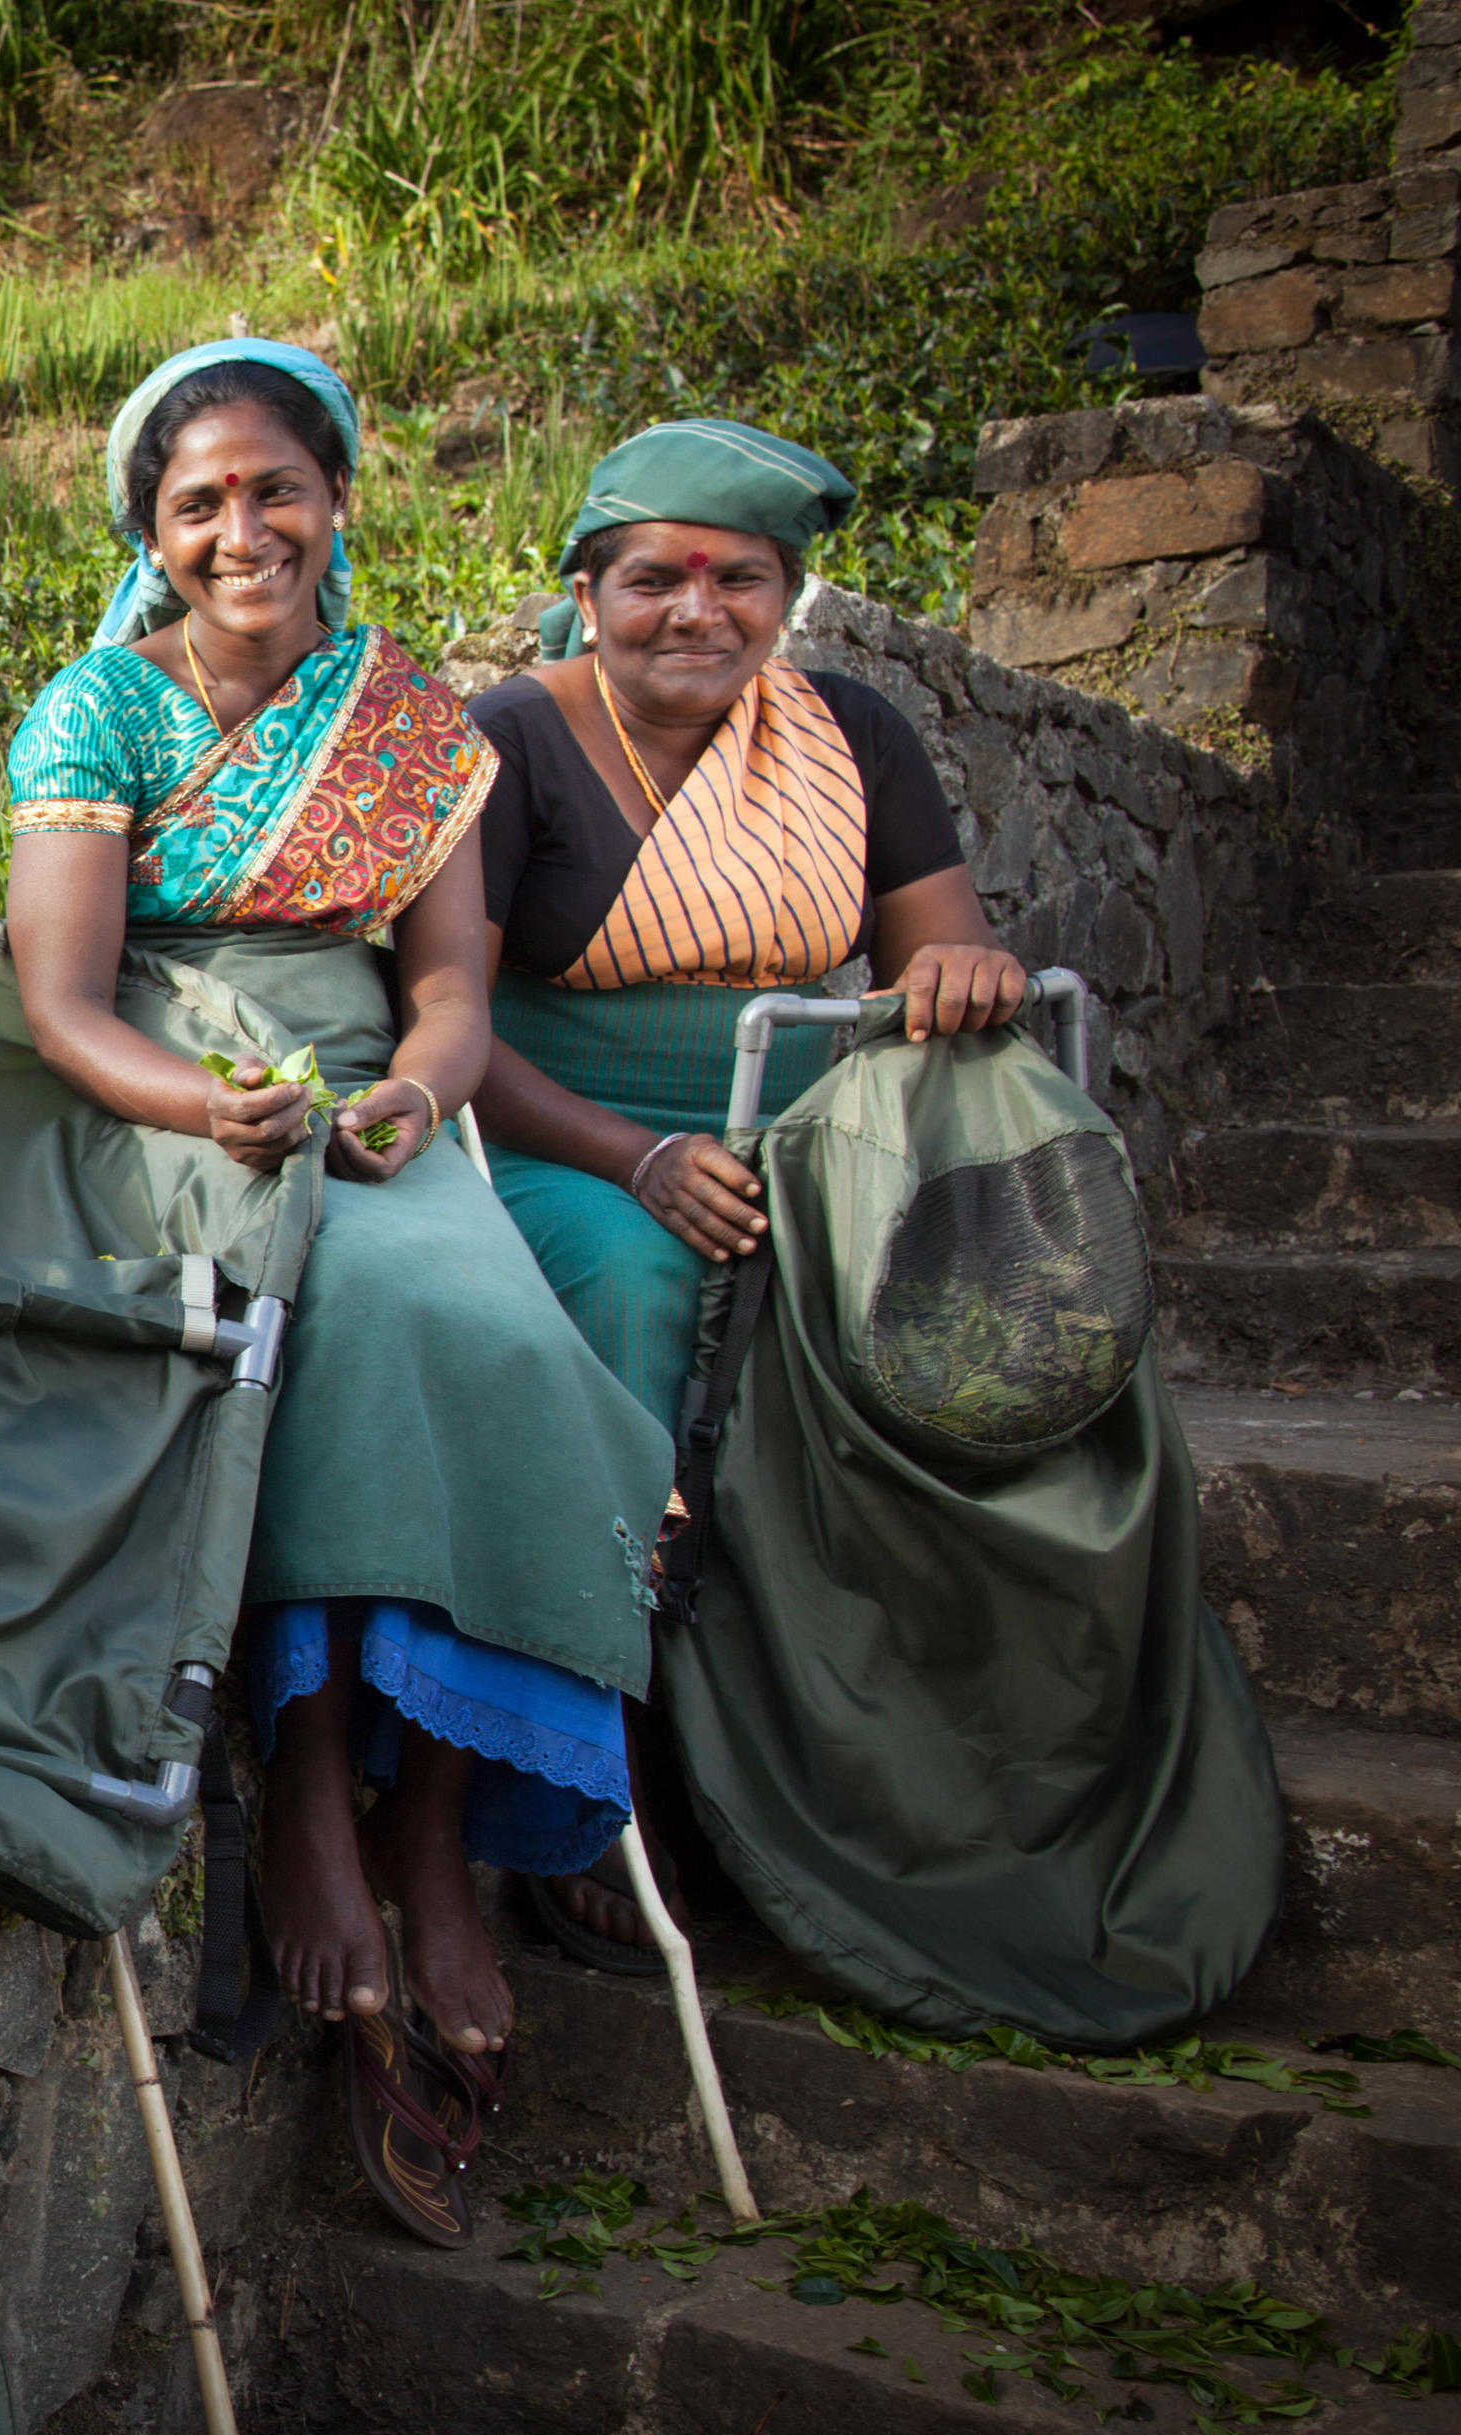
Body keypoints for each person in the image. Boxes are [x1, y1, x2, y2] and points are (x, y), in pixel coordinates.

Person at [0, 340, 673, 2247]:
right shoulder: (94, 714)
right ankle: (308, 1782)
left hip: (365, 1098)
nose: (241, 532)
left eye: (273, 490)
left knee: (501, 1329)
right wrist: (202, 1102)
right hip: (173, 1092)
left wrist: (411, 1094)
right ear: (151, 532)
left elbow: (452, 987)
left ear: (337, 500)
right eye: (198, 503)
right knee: (342, 1320)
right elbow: (61, 1004)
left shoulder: (405, 721)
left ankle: (432, 1827)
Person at [462, 418, 1029, 1962]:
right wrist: (634, 1156)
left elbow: (933, 956)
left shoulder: (850, 737)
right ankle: (595, 1792)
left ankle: (845, 1771)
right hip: (561, 1141)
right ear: (589, 589)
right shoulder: (511, 741)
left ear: (788, 599)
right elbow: (447, 1027)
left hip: (797, 1147)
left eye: (741, 581)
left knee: (913, 1342)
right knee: (644, 1297)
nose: (695, 612)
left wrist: (964, 970)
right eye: (654, 578)